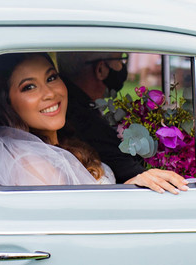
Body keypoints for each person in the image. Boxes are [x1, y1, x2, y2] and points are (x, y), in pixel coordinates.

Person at [57, 52, 188, 194]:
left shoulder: (80, 109)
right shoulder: (85, 121)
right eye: (120, 60)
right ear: (100, 69)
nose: (122, 68)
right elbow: (128, 171)